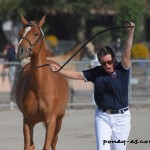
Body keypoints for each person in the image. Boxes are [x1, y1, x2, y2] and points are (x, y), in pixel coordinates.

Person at [50, 22, 135, 150]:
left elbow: (127, 52)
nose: (107, 65)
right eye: (103, 63)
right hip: (102, 117)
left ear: (114, 59)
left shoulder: (122, 69)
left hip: (121, 119)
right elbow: (76, 75)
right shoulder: (96, 72)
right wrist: (59, 70)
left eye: (109, 61)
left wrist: (130, 32)